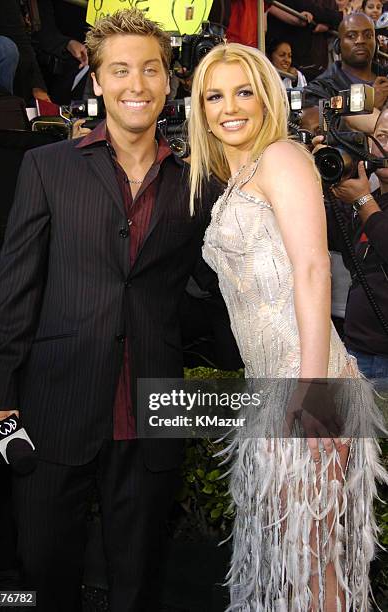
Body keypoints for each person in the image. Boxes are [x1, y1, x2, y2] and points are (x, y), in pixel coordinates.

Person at [0, 9, 221, 612]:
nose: (135, 84)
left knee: (138, 583)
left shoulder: (197, 184)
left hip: (152, 411)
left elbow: (204, 290)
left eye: (149, 70)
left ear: (169, 80)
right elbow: (14, 290)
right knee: (43, 574)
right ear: (99, 81)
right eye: (119, 70)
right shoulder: (47, 167)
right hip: (54, 402)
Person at [188, 42, 386, 610]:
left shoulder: (282, 158)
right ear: (201, 108)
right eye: (214, 95)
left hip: (309, 384)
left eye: (244, 91)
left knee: (313, 564)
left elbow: (313, 268)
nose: (230, 107)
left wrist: (313, 390)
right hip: (274, 389)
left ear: (268, 96)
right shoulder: (241, 174)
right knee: (295, 561)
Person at [329, 108, 388, 387]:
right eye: (381, 137)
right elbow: (342, 247)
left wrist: (362, 200)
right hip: (357, 349)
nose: (384, 148)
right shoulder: (369, 199)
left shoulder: (367, 202)